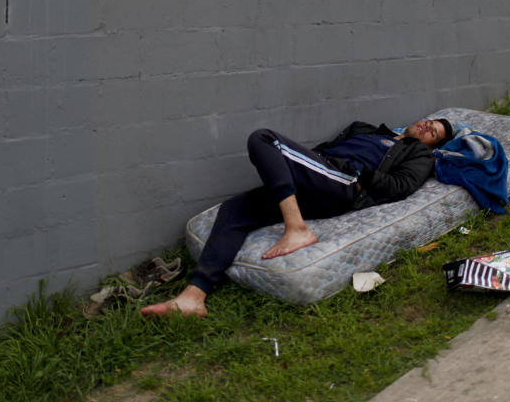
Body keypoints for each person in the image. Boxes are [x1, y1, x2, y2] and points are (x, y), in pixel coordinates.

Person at [141, 117, 453, 318]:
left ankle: (297, 228)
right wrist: (296, 169)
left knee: (263, 138)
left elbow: (401, 187)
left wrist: (360, 173)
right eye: (428, 122)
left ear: (434, 143)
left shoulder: (419, 156)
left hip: (345, 183)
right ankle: (193, 296)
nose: (427, 126)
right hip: (318, 173)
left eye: (434, 132)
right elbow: (321, 150)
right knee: (235, 210)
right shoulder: (366, 129)